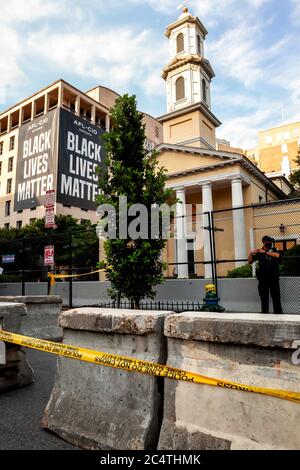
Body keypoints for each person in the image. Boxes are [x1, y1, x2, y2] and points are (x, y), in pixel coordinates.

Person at [248, 235, 283, 314]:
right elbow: (250, 261)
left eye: (271, 241)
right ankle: (264, 312)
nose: (270, 243)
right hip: (263, 279)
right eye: (268, 241)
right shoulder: (259, 252)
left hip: (273, 277)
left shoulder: (274, 250)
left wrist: (266, 252)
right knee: (264, 297)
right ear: (264, 242)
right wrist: (251, 253)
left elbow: (277, 255)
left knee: (276, 296)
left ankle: (278, 313)